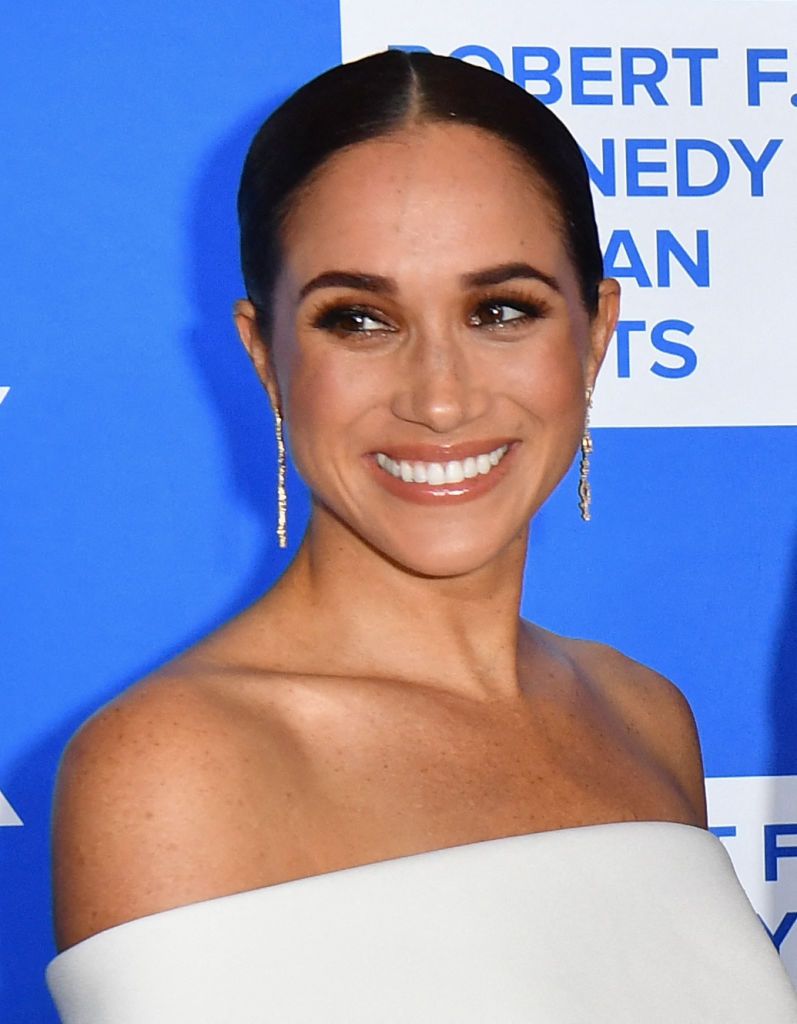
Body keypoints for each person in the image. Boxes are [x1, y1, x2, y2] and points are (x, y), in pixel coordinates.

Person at [46, 50, 797, 1022]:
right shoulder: (175, 765)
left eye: (499, 310)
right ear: (263, 353)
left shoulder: (642, 714)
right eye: (358, 319)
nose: (439, 397)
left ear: (594, 331)